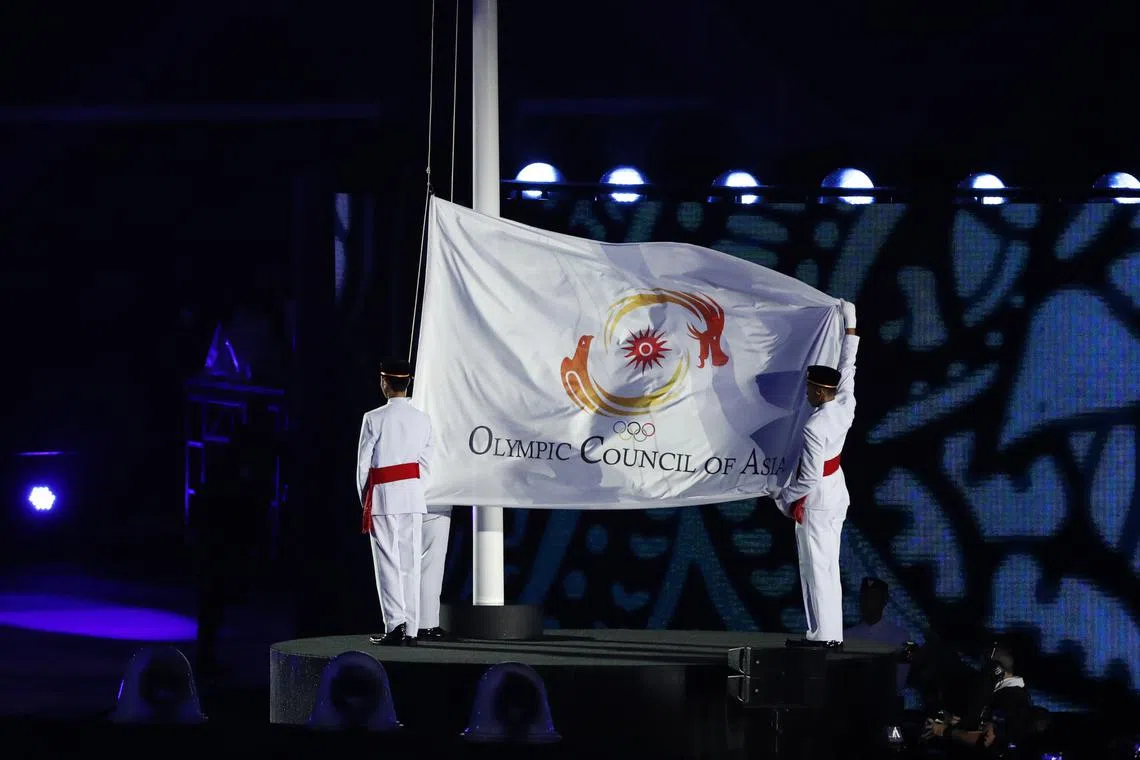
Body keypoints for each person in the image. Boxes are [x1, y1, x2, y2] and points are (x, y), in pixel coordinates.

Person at [774, 300, 859, 648]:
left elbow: (807, 480)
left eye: (810, 389)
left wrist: (782, 498)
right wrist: (850, 326)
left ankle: (825, 637)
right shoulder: (846, 401)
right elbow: (848, 365)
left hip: (821, 495)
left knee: (817, 567)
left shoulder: (815, 425)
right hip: (837, 487)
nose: (807, 393)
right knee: (823, 566)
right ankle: (825, 633)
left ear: (821, 392)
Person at [357, 359, 435, 646]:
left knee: (387, 562)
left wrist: (365, 498)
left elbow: (363, 465)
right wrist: (415, 489)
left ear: (384, 382)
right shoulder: (423, 419)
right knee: (411, 562)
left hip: (383, 496)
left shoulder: (373, 418)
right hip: (412, 496)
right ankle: (411, 629)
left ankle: (395, 625)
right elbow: (427, 463)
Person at [921, 645, 1035, 752]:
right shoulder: (1000, 694)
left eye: (985, 667)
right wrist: (956, 722)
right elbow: (981, 723)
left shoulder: (1011, 698)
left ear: (995, 670)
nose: (981, 672)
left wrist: (943, 731)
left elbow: (986, 740)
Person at [845, 577, 914, 690]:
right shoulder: (846, 636)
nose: (867, 602)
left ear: (884, 601)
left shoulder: (903, 636)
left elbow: (902, 677)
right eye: (864, 597)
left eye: (873, 598)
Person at [418, 504, 452, 639]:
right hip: (435, 502)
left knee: (404, 566)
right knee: (431, 565)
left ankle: (406, 624)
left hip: (400, 501)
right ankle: (425, 624)